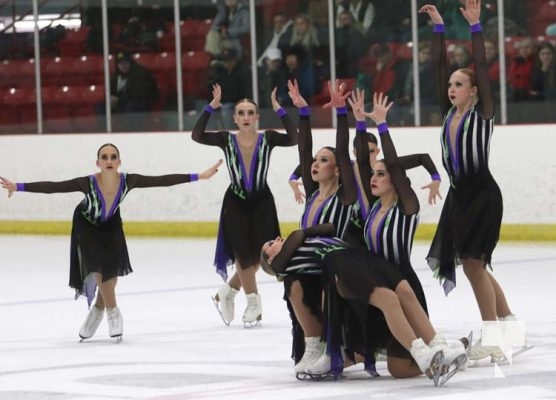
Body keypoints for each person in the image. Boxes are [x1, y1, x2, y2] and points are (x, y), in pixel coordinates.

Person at [0, 144, 222, 341]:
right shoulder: (87, 183)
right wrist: (18, 186)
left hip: (111, 225)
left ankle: (97, 309)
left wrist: (199, 176)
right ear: (97, 163)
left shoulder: (129, 181)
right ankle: (113, 312)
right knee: (99, 266)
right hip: (86, 225)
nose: (108, 161)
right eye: (104, 157)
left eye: (113, 157)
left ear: (119, 162)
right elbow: (55, 186)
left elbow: (162, 180)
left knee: (112, 273)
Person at [419, 0, 521, 362]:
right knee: (474, 262)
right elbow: (437, 69)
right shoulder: (449, 114)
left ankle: (493, 336)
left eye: (459, 84)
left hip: (482, 194)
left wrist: (476, 28)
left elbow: (482, 68)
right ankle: (509, 322)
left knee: (475, 264)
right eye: (450, 84)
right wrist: (439, 28)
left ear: (474, 91)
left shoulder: (484, 113)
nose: (451, 88)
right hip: (459, 197)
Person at [260, 222, 466, 385]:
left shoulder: (300, 243)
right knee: (389, 299)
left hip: (362, 256)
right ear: (271, 261)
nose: (278, 238)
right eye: (271, 244)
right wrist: (302, 234)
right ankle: (421, 353)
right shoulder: (286, 266)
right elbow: (291, 244)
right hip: (341, 264)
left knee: (403, 291)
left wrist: (304, 233)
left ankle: (442, 348)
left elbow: (329, 227)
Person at [191, 83, 298, 327]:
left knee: (260, 255)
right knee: (241, 251)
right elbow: (197, 135)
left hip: (262, 202)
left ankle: (226, 293)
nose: (246, 117)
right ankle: (253, 301)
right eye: (241, 113)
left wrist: (280, 110)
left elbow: (295, 138)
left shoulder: (269, 139)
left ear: (258, 117)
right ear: (235, 118)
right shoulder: (225, 140)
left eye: (251, 113)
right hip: (236, 202)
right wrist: (211, 107)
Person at [282, 79, 358, 375]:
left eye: (323, 160)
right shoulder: (313, 194)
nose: (314, 164)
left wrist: (340, 115)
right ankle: (313, 344)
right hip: (309, 267)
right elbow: (303, 151)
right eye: (315, 161)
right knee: (294, 286)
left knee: (324, 286)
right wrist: (303, 113)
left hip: (335, 266)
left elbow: (341, 148)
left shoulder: (345, 195)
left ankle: (333, 347)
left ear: (337, 169)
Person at [108, 51, 159, 131]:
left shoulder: (140, 73)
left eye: (126, 62)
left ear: (130, 62)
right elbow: (111, 91)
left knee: (131, 106)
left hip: (140, 104)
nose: (123, 65)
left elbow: (137, 94)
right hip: (122, 104)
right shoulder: (115, 76)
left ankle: (131, 131)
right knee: (101, 107)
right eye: (120, 63)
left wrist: (118, 100)